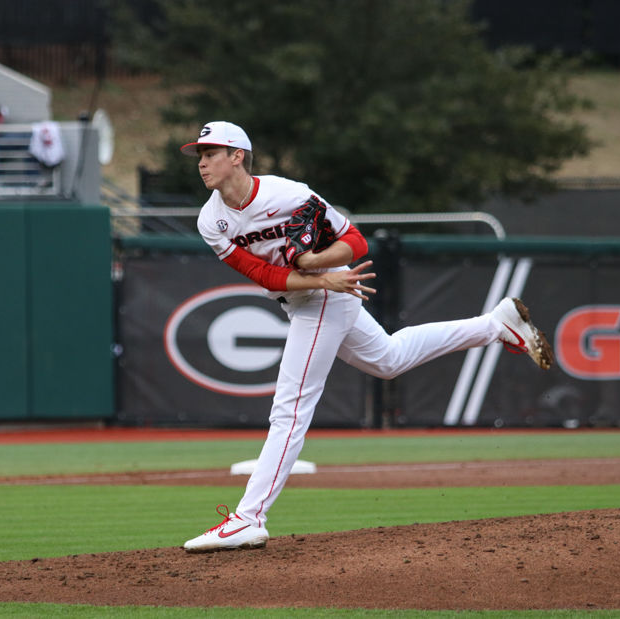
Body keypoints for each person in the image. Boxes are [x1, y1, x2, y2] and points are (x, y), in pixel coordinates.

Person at [179, 121, 555, 553]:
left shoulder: (289, 195)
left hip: (326, 296)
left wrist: (319, 263)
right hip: (314, 293)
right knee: (389, 359)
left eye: (211, 152)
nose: (202, 162)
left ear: (237, 156)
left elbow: (355, 242)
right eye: (199, 154)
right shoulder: (211, 218)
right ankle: (496, 324)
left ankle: (249, 517)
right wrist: (319, 280)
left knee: (290, 408)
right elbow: (260, 273)